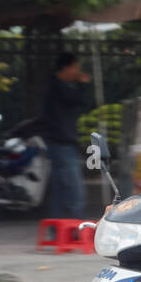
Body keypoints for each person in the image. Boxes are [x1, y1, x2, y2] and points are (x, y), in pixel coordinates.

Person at [40, 52, 92, 219]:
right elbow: (80, 100)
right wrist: (83, 84)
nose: (78, 71)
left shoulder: (54, 86)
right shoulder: (58, 87)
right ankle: (76, 229)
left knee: (60, 191)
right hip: (62, 145)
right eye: (76, 67)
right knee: (74, 192)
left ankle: (58, 230)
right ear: (67, 68)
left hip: (57, 144)